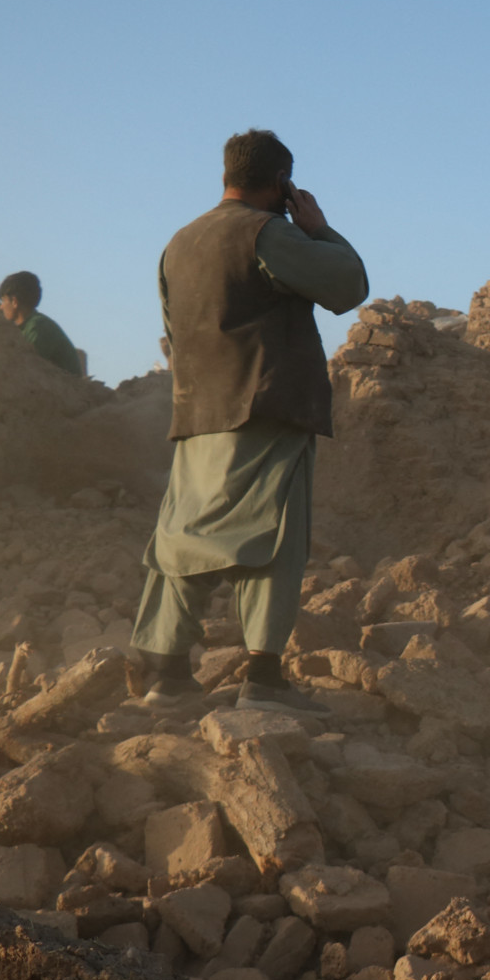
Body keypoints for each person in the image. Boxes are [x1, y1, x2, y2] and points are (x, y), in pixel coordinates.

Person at [132, 129, 367, 714]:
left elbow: (171, 329)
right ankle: (263, 678)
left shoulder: (178, 243)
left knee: (184, 536)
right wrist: (318, 229)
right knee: (273, 538)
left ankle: (167, 674)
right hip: (265, 408)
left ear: (225, 176)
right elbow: (347, 286)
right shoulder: (267, 233)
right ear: (281, 184)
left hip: (196, 414)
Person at [0, 272, 82, 376]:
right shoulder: (29, 326)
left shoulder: (38, 327)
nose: (1, 307)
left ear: (14, 302)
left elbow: (29, 370)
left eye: (3, 301)